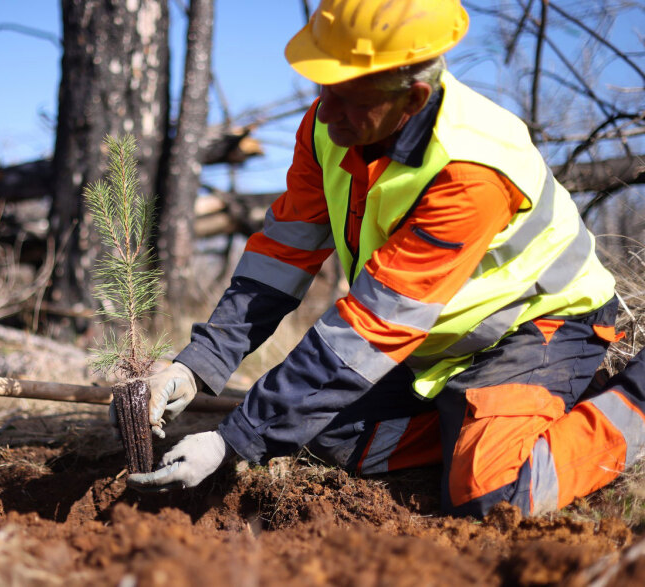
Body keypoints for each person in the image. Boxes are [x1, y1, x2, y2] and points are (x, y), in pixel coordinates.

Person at [123, 0, 645, 517]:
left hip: (536, 330)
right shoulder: (329, 127)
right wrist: (198, 365)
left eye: (349, 97)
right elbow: (280, 259)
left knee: (490, 497)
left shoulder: (471, 170)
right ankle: (479, 418)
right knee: (316, 437)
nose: (325, 112)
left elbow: (373, 327)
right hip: (433, 342)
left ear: (413, 97)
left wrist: (233, 441)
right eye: (323, 87)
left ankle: (629, 401)